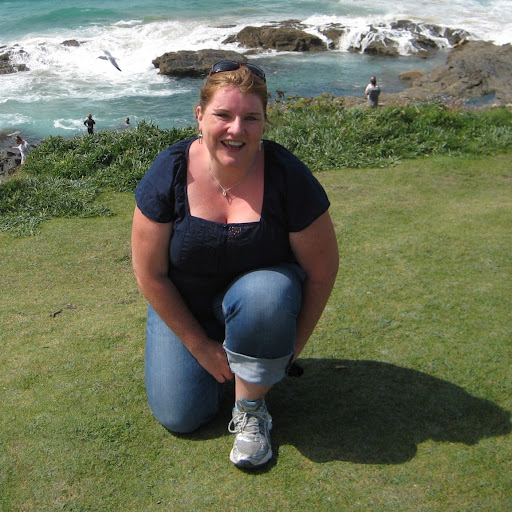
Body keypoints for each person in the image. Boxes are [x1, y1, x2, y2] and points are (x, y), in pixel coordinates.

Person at [131, 61, 339, 469]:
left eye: (251, 118)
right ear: (199, 117)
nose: (236, 129)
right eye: (223, 115)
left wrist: (291, 349)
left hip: (261, 303)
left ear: (264, 122)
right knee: (181, 416)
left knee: (266, 291)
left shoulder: (287, 176)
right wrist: (199, 347)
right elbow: (149, 273)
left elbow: (322, 270)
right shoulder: (169, 171)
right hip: (187, 306)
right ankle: (238, 362)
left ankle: (250, 408)